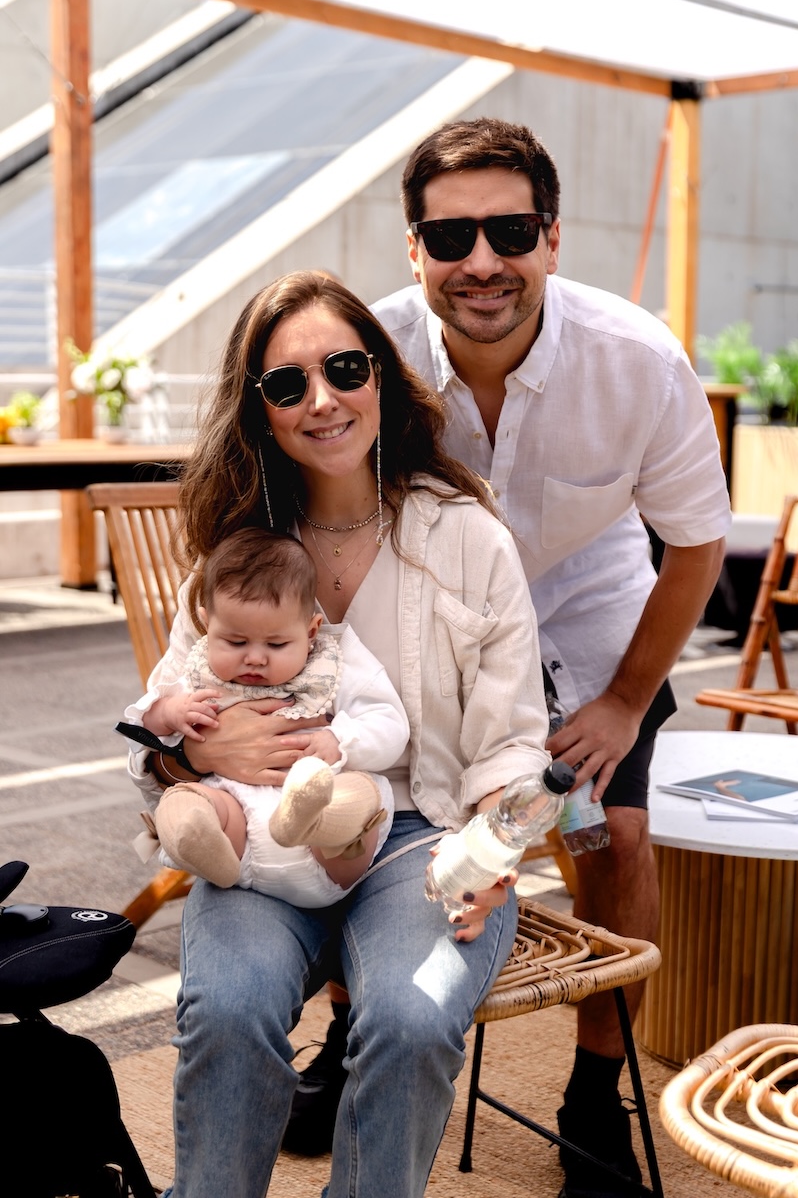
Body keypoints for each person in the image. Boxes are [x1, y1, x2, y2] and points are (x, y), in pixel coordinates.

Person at [291, 117, 732, 1196]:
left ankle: (592, 1095)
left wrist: (625, 701)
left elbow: (695, 544)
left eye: (510, 231)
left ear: (551, 238)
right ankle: (350, 1034)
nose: (481, 261)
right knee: (363, 820)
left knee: (614, 839)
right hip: (426, 629)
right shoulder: (365, 358)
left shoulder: (637, 359)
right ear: (413, 250)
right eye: (450, 238)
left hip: (590, 633)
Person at [127, 269, 553, 1198]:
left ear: (381, 378)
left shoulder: (468, 538)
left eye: (345, 369)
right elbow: (160, 716)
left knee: (412, 1016)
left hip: (423, 837)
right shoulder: (238, 547)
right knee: (227, 1009)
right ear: (261, 409)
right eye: (288, 384)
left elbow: (514, 741)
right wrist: (192, 752)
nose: (321, 400)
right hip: (261, 835)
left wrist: (492, 852)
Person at [121, 526, 409, 905]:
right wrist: (168, 712)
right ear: (207, 624)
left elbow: (388, 722)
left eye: (276, 644)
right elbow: (141, 728)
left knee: (355, 796)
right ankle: (197, 840)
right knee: (198, 803)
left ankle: (311, 819)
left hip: (328, 841)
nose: (255, 657)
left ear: (311, 631)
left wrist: (340, 740)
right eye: (235, 641)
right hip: (239, 825)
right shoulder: (199, 676)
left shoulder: (333, 665)